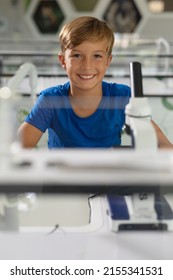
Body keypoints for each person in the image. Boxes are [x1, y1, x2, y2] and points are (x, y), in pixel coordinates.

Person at [18, 16, 173, 149]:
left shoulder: (121, 97)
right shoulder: (50, 101)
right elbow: (17, 149)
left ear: (108, 61)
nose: (87, 66)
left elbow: (163, 145)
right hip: (62, 182)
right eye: (77, 55)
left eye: (97, 56)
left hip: (109, 181)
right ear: (63, 60)